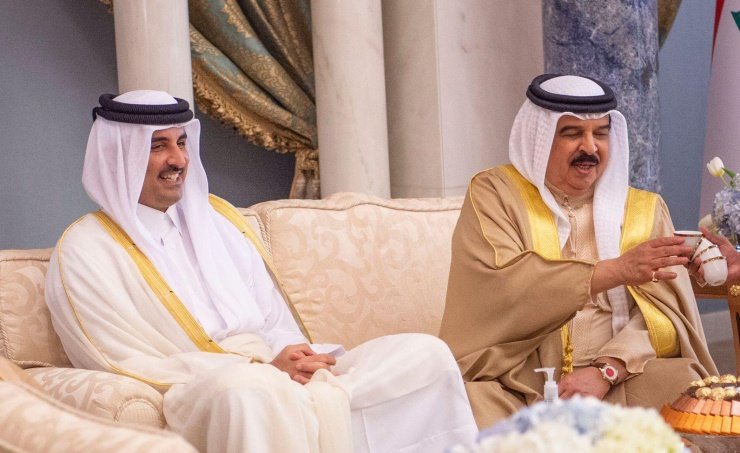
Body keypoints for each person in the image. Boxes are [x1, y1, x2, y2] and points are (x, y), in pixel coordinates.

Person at [45, 90, 478, 452]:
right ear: (118, 157)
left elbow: (273, 318)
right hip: (205, 386)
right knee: (249, 391)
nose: (178, 159)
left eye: (182, 143)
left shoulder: (219, 221)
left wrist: (296, 356)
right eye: (158, 146)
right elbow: (115, 358)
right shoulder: (87, 250)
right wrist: (262, 366)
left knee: (425, 356)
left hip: (271, 370)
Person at [438, 74, 718, 429]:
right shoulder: (495, 195)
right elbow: (505, 290)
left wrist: (607, 369)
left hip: (617, 378)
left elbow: (665, 316)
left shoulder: (643, 210)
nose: (590, 148)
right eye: (572, 133)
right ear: (539, 138)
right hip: (518, 380)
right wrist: (616, 271)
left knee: (687, 392)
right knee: (469, 402)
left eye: (600, 133)